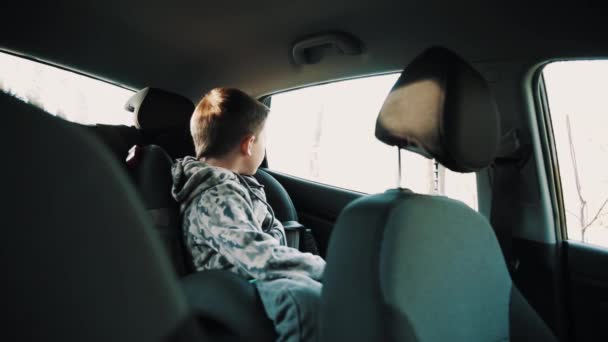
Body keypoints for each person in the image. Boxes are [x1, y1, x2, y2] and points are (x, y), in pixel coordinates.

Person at [171, 87, 325, 341]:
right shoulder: (214, 195)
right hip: (237, 282)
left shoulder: (237, 185)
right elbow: (253, 253)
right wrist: (322, 269)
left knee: (317, 292)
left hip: (252, 276)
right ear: (249, 144)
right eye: (264, 139)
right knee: (305, 301)